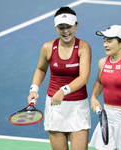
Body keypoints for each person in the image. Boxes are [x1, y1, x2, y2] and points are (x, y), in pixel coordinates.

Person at [27, 6, 91, 150]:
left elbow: (84, 77)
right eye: (61, 27)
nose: (65, 31)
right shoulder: (48, 47)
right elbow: (41, 68)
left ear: (76, 25)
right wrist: (34, 89)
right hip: (55, 106)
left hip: (77, 107)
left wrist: (63, 90)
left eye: (68, 26)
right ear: (55, 27)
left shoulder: (84, 47)